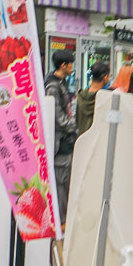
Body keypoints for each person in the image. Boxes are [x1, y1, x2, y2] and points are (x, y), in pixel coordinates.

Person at [48, 50, 77, 199]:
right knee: (61, 182)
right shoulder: (53, 86)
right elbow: (57, 117)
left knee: (64, 182)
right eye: (71, 63)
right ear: (63, 65)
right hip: (59, 142)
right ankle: (61, 220)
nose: (73, 67)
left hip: (64, 140)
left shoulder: (61, 83)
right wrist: (73, 127)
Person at [75, 60, 109, 136]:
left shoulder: (81, 95)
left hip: (81, 139)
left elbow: (76, 120)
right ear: (105, 77)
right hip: (97, 141)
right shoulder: (105, 98)